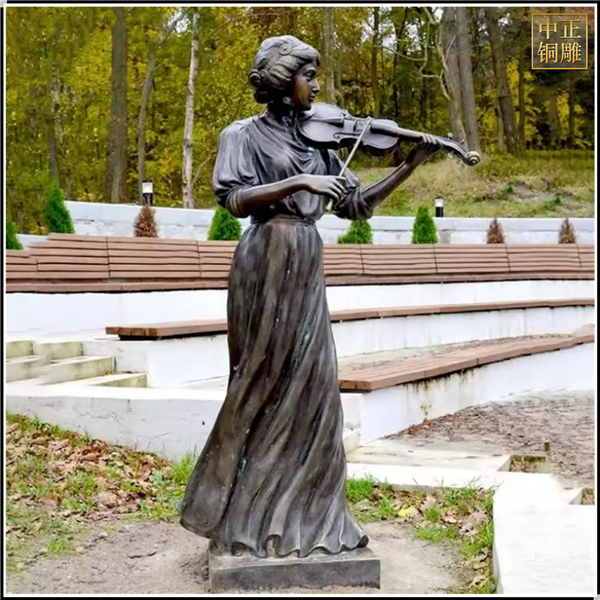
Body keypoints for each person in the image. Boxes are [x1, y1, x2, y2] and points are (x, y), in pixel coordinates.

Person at [180, 35, 439, 559]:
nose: (317, 86)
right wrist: (298, 182)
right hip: (265, 258)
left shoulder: (321, 142)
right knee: (262, 382)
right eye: (308, 75)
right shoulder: (241, 135)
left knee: (317, 389)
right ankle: (240, 518)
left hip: (305, 258)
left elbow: (355, 206)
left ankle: (313, 523)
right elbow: (234, 198)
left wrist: (409, 166)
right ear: (281, 81)